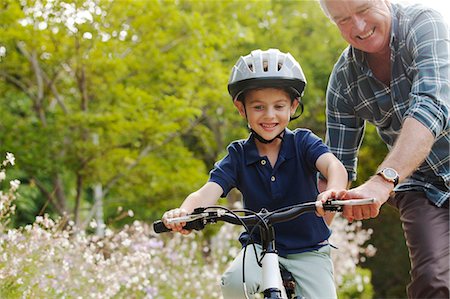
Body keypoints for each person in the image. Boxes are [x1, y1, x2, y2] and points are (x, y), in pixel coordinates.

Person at [162, 48, 347, 298]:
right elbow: (208, 192)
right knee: (235, 284)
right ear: (242, 109)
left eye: (279, 106)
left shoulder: (303, 143)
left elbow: (333, 166)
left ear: (293, 106)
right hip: (258, 248)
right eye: (258, 107)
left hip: (308, 250)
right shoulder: (238, 155)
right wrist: (184, 212)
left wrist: (333, 192)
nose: (269, 115)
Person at [317, 0, 450, 298]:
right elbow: (336, 166)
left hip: (397, 176)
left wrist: (383, 180)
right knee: (433, 280)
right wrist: (304, 240)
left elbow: (432, 106)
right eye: (343, 20)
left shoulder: (423, 23)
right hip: (422, 186)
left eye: (364, 10)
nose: (359, 27)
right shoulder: (343, 82)